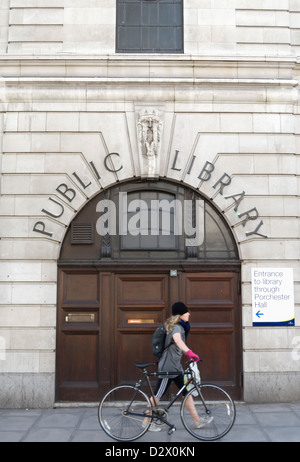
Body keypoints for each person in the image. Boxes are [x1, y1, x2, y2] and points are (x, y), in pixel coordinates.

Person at [144, 301, 213, 432]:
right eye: (186, 312)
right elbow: (178, 340)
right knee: (158, 394)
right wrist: (189, 352)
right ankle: (146, 422)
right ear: (180, 315)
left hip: (175, 367)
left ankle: (197, 420)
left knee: (186, 392)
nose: (189, 314)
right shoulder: (177, 327)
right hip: (168, 368)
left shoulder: (180, 326)